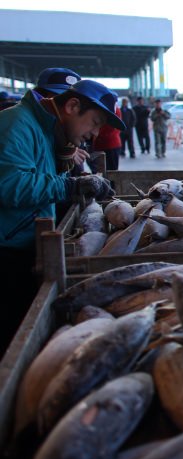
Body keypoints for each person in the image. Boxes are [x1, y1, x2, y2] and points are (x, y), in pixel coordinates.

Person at [0, 79, 120, 353]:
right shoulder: (17, 124)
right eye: (94, 122)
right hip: (6, 251)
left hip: (26, 242)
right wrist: (70, 186)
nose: (95, 133)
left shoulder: (45, 129)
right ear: (72, 106)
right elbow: (9, 185)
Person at [92, 104, 123, 172]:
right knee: (102, 171)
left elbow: (110, 127)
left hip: (110, 144)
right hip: (102, 144)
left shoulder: (113, 109)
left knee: (111, 172)